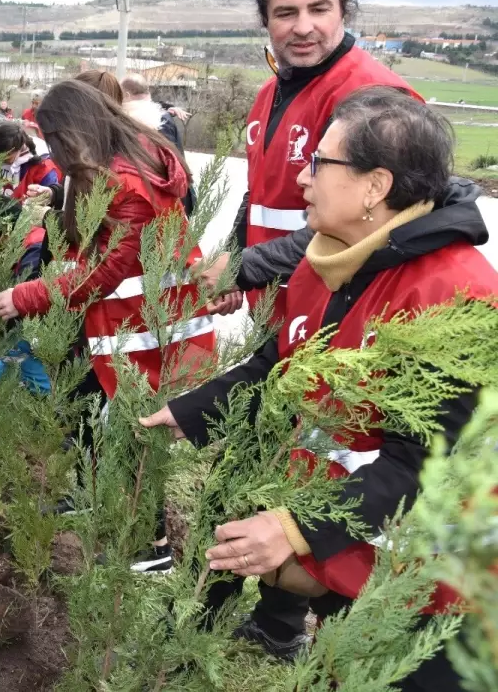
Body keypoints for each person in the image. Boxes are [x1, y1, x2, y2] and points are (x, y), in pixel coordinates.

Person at [141, 87, 494, 690]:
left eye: (320, 163)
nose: (302, 178)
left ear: (375, 186)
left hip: (430, 590)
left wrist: (290, 528)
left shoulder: (454, 295)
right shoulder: (329, 259)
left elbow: (426, 462)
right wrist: (190, 410)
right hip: (351, 547)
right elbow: (277, 363)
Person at [0, 80, 215, 569]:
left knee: (136, 430)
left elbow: (106, 270)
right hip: (129, 325)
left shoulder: (129, 183)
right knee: (100, 413)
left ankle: (151, 548)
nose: (50, 150)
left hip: (149, 328)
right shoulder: (117, 166)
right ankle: (96, 495)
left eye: (52, 138)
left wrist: (29, 296)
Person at [200, 0, 417, 322]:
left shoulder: (372, 98)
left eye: (319, 9)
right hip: (281, 311)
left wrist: (246, 266)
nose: (303, 27)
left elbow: (376, 222)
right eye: (285, 13)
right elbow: (261, 195)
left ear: (343, 11)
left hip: (340, 313)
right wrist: (234, 263)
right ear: (265, 20)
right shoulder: (271, 93)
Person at [121, 73, 196, 215]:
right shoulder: (158, 114)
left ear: (127, 94)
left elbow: (166, 164)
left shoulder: (156, 120)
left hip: (167, 199)